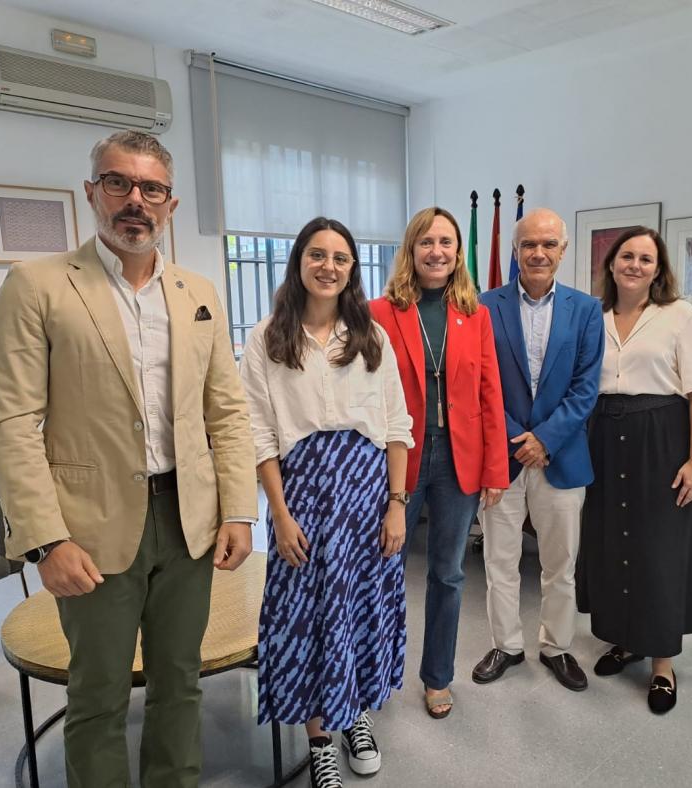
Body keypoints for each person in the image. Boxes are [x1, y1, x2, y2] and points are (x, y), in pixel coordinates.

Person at [0, 130, 257, 787]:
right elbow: (10, 423)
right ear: (91, 192)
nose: (135, 199)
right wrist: (47, 541)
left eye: (150, 188)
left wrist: (239, 510)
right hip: (88, 524)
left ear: (171, 203)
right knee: (99, 694)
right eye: (118, 183)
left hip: (187, 520)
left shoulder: (198, 293)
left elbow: (227, 412)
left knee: (179, 683)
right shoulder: (38, 285)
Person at [239, 217, 413, 788]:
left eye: (341, 258)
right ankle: (319, 738)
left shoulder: (371, 336)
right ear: (299, 261)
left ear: (352, 270)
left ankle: (355, 714)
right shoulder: (267, 337)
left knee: (360, 606)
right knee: (311, 614)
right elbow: (259, 433)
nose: (329, 266)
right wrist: (279, 516)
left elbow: (395, 425)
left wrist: (396, 503)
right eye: (317, 255)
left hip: (367, 490)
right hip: (302, 492)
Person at [370, 206, 509, 719]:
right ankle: (376, 670)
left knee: (448, 574)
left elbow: (491, 396)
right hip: (396, 460)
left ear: (457, 253)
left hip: (459, 461)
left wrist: (496, 469)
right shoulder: (379, 312)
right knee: (385, 569)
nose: (437, 251)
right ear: (412, 249)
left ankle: (437, 677)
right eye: (426, 242)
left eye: (446, 243)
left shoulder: (476, 314)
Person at [576, 226, 692, 715]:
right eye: (627, 256)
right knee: (612, 541)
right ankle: (623, 638)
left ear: (658, 270)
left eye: (646, 259)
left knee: (659, 548)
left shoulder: (679, 315)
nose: (635, 265)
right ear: (611, 264)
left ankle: (662, 662)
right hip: (604, 438)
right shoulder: (591, 316)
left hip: (660, 438)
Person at [472, 208, 604, 692]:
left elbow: (586, 388)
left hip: (562, 457)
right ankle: (505, 645)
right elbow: (481, 385)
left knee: (560, 565)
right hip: (500, 457)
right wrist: (518, 439)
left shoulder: (586, 310)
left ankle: (557, 646)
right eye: (529, 244)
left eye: (549, 244)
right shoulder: (484, 305)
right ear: (515, 250)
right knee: (500, 563)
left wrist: (545, 439)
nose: (538, 252)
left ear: (563, 251)